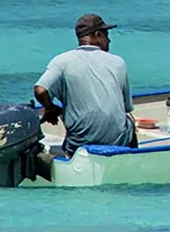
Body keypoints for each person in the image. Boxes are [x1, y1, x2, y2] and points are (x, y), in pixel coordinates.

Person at [35, 13, 136, 154]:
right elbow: (126, 108)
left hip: (79, 144)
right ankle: (130, 160)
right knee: (130, 121)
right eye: (106, 35)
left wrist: (50, 109)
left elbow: (40, 90)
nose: (109, 40)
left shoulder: (62, 61)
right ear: (98, 35)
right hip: (116, 141)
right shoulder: (118, 62)